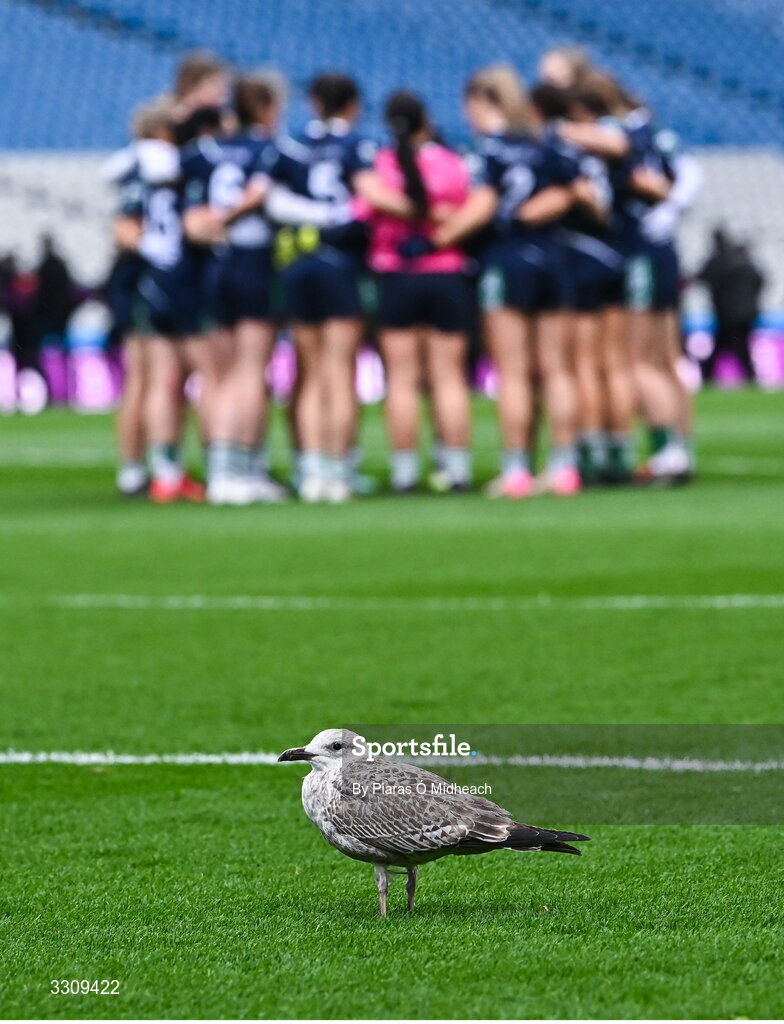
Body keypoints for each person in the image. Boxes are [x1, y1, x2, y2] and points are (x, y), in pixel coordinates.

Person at [435, 68, 585, 497]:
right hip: (553, 259)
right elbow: (572, 190)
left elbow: (482, 205)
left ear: (481, 101)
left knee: (514, 372)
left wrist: (440, 236)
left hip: (508, 259)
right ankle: (563, 467)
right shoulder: (544, 143)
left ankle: (517, 468)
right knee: (557, 369)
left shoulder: (489, 150)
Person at [270, 73, 390, 503]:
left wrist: (311, 217)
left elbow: (272, 201)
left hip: (300, 263)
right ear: (353, 104)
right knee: (339, 371)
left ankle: (311, 469)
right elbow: (371, 197)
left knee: (309, 372)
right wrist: (337, 215)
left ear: (314, 102)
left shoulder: (290, 146)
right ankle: (339, 470)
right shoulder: (358, 147)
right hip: (342, 264)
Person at [357, 90, 473, 492]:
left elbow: (364, 212)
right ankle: (456, 470)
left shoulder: (382, 165)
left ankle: (405, 472)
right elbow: (467, 211)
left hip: (396, 274)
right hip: (446, 274)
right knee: (448, 378)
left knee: (402, 380)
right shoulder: (452, 163)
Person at [181, 73, 289, 504]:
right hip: (254, 264)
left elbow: (193, 225)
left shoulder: (201, 154)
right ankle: (240, 470)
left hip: (214, 267)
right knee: (249, 372)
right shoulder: (271, 153)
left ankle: (225, 469)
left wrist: (216, 225)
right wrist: (237, 213)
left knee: (220, 376)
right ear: (265, 108)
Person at [122, 98, 209, 503]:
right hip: (181, 276)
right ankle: (212, 466)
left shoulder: (143, 171)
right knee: (193, 374)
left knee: (163, 378)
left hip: (157, 278)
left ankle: (166, 471)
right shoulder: (176, 167)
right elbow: (124, 228)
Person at [698, 229, 764, 385]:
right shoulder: (744, 263)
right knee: (736, 345)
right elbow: (760, 282)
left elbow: (703, 278)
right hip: (746, 313)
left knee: (729, 345)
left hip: (728, 314)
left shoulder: (719, 261)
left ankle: (708, 376)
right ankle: (749, 376)